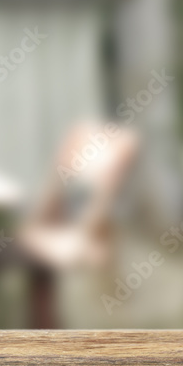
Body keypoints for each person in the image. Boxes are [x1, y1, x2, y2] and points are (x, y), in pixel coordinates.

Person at [18, 121, 140, 328]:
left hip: (93, 233)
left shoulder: (125, 145)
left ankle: (48, 328)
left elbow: (103, 204)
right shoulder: (78, 136)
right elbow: (53, 188)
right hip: (71, 228)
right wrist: (37, 220)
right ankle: (43, 328)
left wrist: (84, 236)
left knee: (45, 262)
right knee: (33, 258)